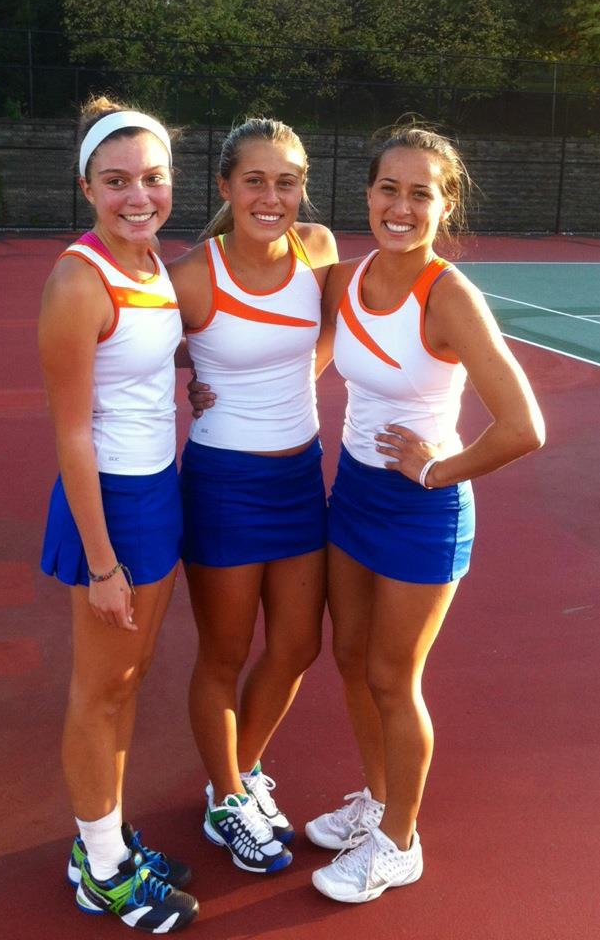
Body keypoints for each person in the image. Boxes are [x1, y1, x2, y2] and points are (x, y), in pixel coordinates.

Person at [306, 122, 545, 903]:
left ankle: (398, 844)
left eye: (420, 194)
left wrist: (439, 468)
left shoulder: (448, 296)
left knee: (389, 675)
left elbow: (523, 427)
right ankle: (375, 803)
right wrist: (220, 393)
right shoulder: (343, 280)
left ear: (445, 207)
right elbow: (278, 335)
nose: (400, 206)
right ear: (367, 194)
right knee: (346, 658)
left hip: (422, 509)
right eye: (387, 189)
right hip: (354, 494)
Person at [38, 96, 198, 932]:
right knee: (99, 690)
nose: (138, 195)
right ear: (87, 186)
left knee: (128, 681)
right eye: (116, 182)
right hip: (109, 506)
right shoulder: (78, 277)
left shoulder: (149, 258)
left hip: (156, 488)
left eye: (152, 178)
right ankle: (100, 866)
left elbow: (140, 356)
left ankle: (107, 839)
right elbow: (71, 435)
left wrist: (188, 375)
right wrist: (101, 564)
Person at [168, 118, 338, 874]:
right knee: (224, 653)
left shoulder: (320, 248)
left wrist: (303, 379)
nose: (272, 196)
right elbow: (147, 341)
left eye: (286, 181)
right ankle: (230, 799)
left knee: (298, 644)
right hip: (224, 485)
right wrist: (192, 374)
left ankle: (237, 775)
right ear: (226, 187)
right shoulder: (191, 275)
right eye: (255, 181)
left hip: (299, 474)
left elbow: (330, 329)